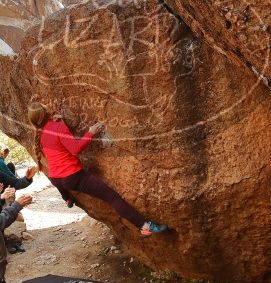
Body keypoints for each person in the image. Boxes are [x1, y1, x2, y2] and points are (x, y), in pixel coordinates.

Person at [27, 101, 167, 237]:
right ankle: (144, 225)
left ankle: (67, 199)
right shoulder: (58, 127)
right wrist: (90, 132)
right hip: (72, 176)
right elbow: (75, 149)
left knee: (63, 187)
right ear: (46, 112)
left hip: (56, 179)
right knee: (112, 198)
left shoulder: (40, 135)